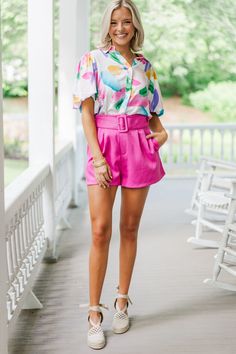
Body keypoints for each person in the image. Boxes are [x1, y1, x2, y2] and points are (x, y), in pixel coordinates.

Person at [73, 0, 168, 349]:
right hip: (105, 146)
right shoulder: (92, 60)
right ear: (107, 26)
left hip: (139, 146)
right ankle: (94, 312)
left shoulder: (146, 65)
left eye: (126, 21)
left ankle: (122, 301)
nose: (121, 28)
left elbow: (155, 116)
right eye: (115, 22)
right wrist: (97, 158)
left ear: (135, 25)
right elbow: (86, 113)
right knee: (100, 230)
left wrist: (161, 135)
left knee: (130, 228)